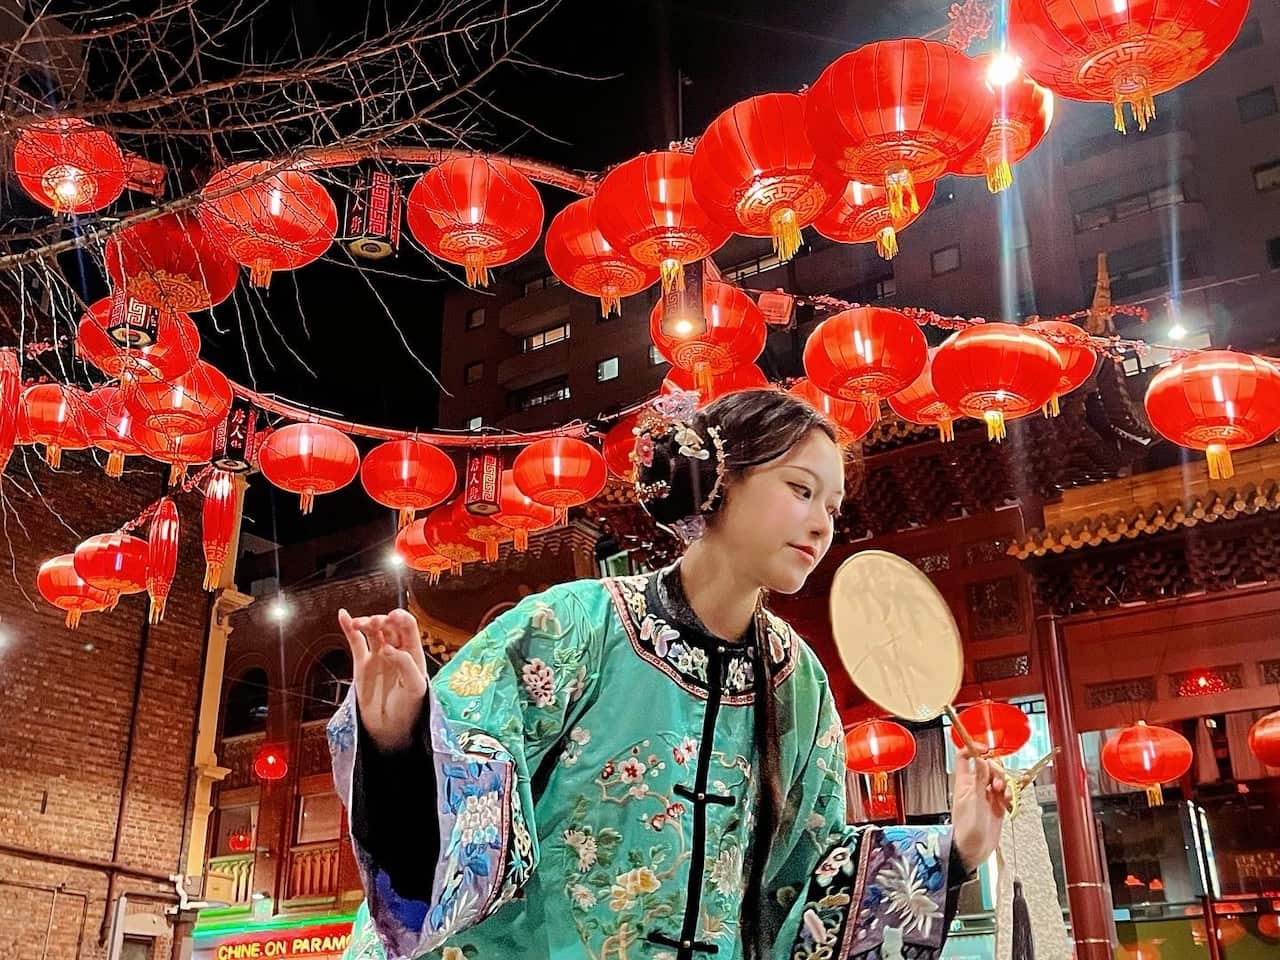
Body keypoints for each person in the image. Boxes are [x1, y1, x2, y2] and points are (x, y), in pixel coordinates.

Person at [328, 388, 1012, 960]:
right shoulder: (574, 625)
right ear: (718, 482)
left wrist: (951, 854)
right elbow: (464, 797)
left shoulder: (797, 681)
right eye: (801, 491)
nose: (821, 525)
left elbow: (811, 877)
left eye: (833, 508)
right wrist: (399, 741)